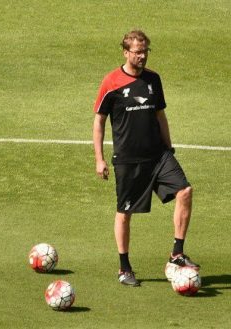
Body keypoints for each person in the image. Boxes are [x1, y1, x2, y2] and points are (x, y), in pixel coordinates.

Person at [92, 30, 199, 287]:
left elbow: (160, 115)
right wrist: (100, 158)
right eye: (137, 52)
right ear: (126, 52)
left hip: (158, 155)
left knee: (185, 191)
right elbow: (99, 121)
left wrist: (169, 146)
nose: (142, 56)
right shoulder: (112, 82)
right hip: (128, 160)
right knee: (124, 213)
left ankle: (177, 253)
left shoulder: (154, 79)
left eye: (145, 52)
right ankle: (124, 268)